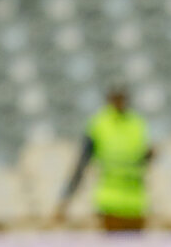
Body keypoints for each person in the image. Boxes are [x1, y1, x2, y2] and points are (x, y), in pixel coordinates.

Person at [55, 87, 153, 231]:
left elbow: (140, 159)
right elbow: (82, 163)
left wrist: (149, 155)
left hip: (136, 203)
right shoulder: (99, 125)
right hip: (109, 203)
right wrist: (66, 198)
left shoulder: (137, 124)